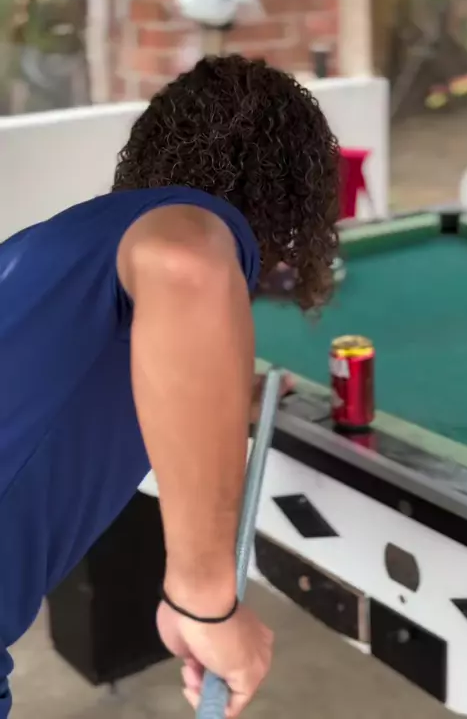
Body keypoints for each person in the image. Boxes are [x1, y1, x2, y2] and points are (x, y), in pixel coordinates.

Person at [0, 55, 339, 718]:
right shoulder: (193, 220)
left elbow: (74, 384)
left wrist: (228, 394)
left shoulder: (53, 243)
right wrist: (204, 601)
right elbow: (185, 263)